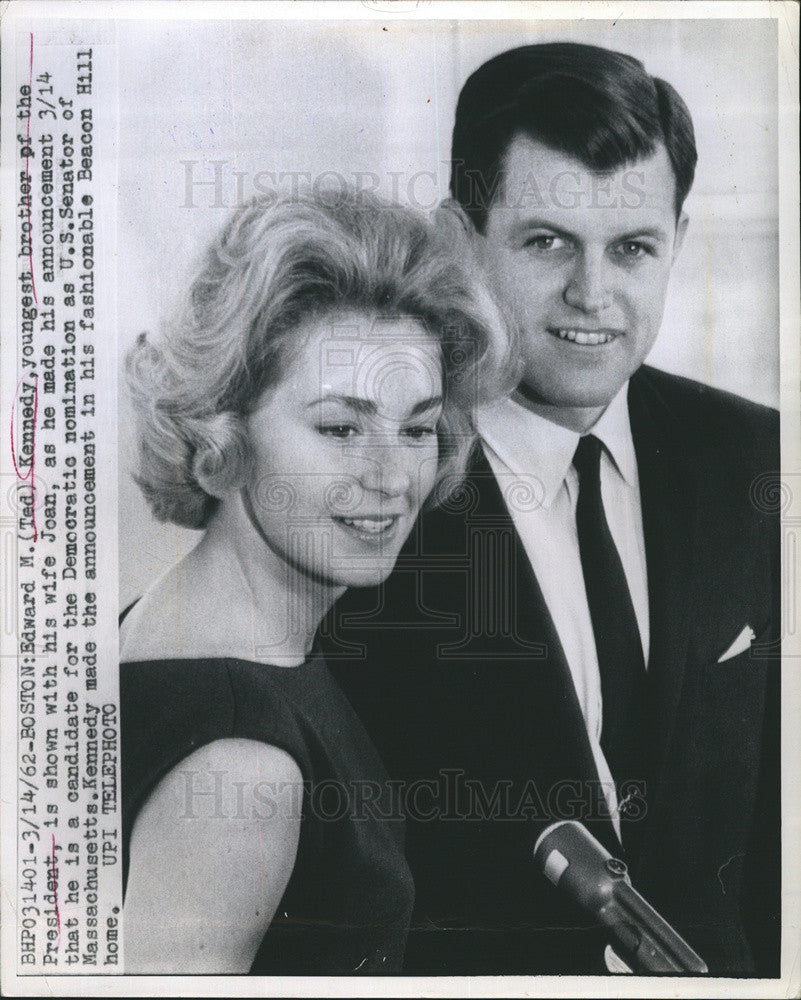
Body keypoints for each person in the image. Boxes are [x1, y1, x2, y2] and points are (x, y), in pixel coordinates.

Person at [326, 42, 780, 976]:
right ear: (458, 238)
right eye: (545, 242)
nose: (592, 294)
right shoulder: (370, 489)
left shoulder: (760, 461)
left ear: (676, 245)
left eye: (631, 249)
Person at [119, 187, 509, 974]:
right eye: (339, 428)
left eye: (416, 429)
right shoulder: (242, 768)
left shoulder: (178, 624)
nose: (392, 477)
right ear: (223, 433)